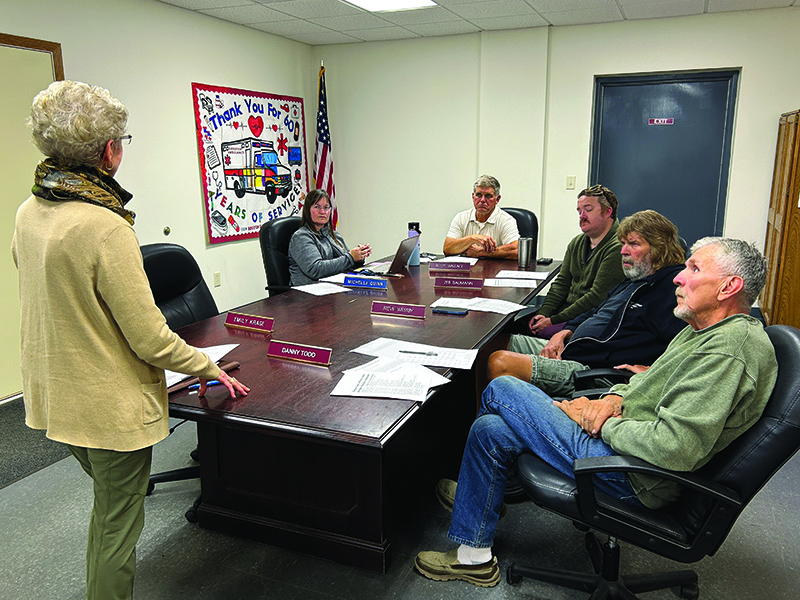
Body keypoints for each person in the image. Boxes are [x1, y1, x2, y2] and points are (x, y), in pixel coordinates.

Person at [414, 237, 778, 587]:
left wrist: (600, 424)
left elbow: (674, 447)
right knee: (491, 429)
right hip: (626, 442)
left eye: (694, 269)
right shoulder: (703, 329)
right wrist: (609, 400)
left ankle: (488, 489)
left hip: (635, 474)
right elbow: (644, 385)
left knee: (501, 388)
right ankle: (473, 555)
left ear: (729, 286)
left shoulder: (726, 353)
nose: (679, 277)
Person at [11, 80, 250, 600]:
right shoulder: (105, 225)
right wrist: (210, 368)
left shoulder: (28, 212)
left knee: (108, 502)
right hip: (105, 406)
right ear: (108, 151)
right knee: (117, 524)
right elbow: (151, 340)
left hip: (54, 397)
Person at [489, 210, 687, 398]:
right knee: (490, 344)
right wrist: (564, 332)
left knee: (500, 361)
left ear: (659, 248)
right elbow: (595, 310)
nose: (623, 251)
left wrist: (653, 370)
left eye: (633, 245)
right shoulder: (634, 280)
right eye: (623, 243)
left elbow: (685, 348)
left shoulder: (672, 290)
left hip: (592, 369)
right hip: (571, 347)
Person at [524, 184, 626, 339]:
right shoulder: (577, 243)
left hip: (589, 319)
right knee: (514, 326)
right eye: (579, 211)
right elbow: (561, 284)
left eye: (588, 209)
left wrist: (552, 320)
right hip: (565, 312)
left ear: (608, 212)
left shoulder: (619, 247)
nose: (582, 216)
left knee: (528, 334)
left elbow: (596, 297)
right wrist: (543, 314)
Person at [288, 189, 372, 285]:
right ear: (307, 210)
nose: (322, 212)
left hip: (334, 288)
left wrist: (359, 256)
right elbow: (316, 270)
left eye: (326, 207)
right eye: (317, 207)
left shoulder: (334, 235)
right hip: (309, 293)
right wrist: (351, 257)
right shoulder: (301, 237)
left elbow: (347, 262)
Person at [443, 174, 519, 259]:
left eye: (488, 196)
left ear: (497, 199)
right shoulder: (461, 217)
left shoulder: (506, 220)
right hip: (467, 270)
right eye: (479, 195)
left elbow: (516, 251)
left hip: (494, 270)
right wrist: (473, 238)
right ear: (473, 196)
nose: (482, 200)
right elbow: (447, 248)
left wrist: (481, 252)